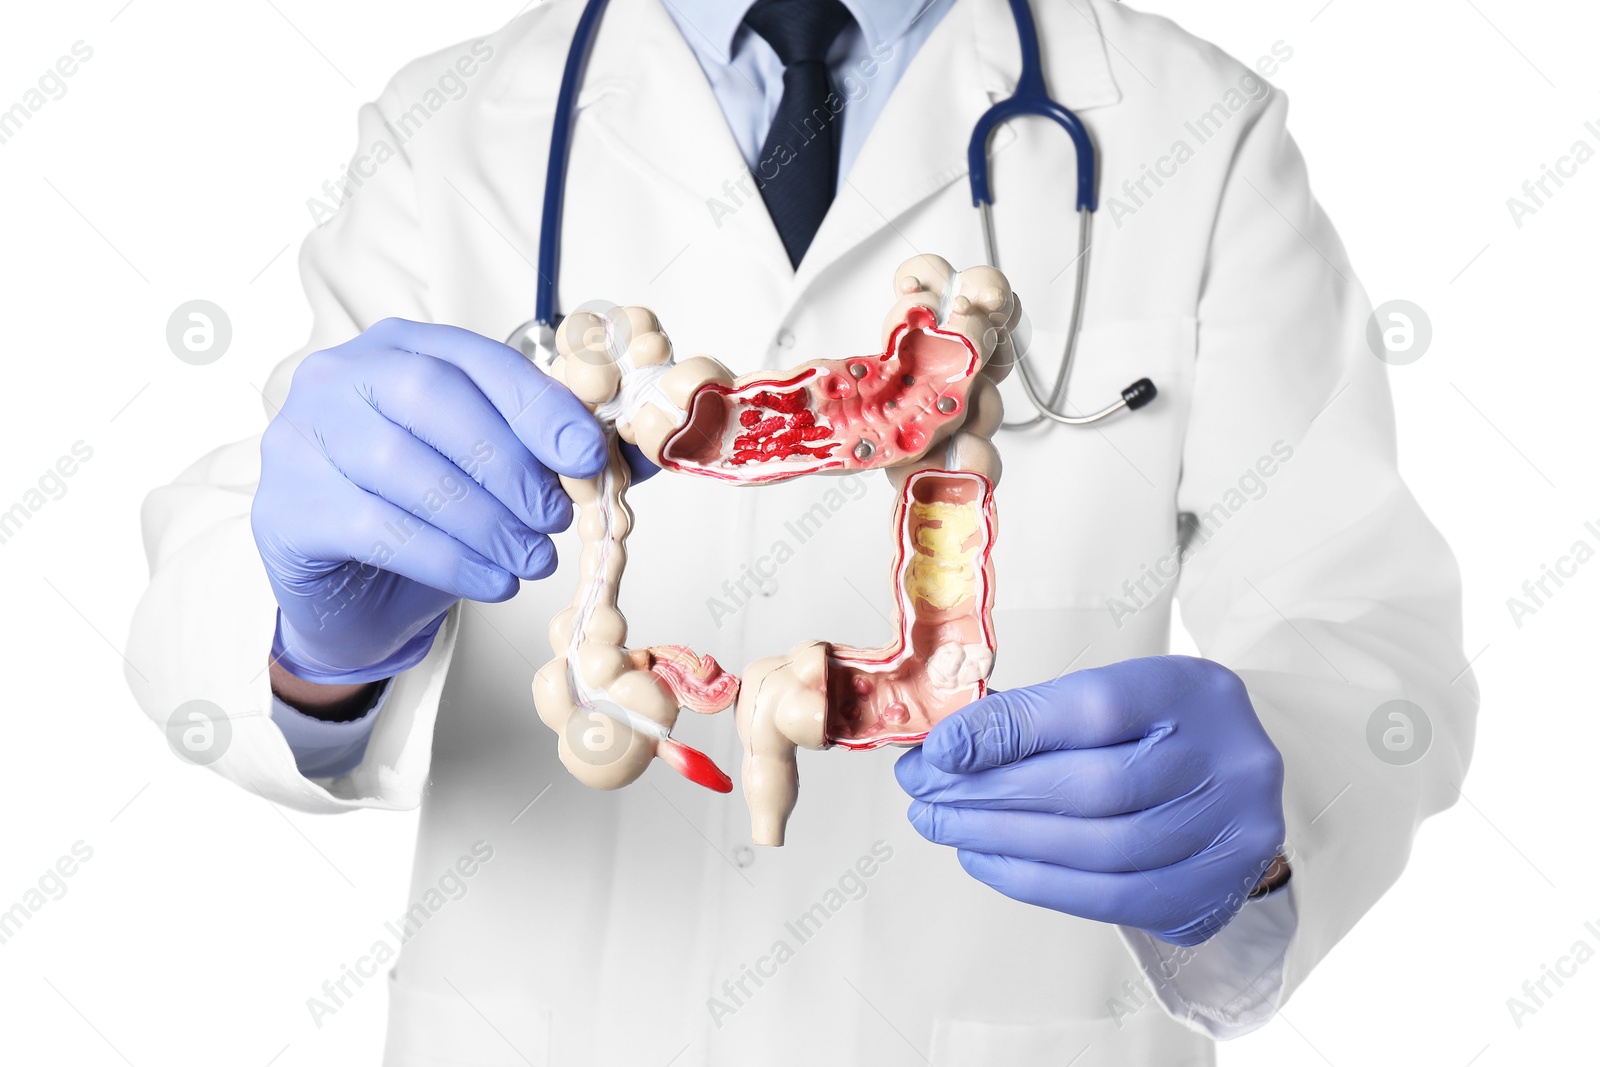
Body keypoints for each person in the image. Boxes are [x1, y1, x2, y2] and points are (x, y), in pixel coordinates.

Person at [127, 0, 1477, 1063]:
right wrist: (313, 644)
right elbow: (203, 606)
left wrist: (1273, 813)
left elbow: (1364, 625)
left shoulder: (1196, 133)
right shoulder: (455, 131)